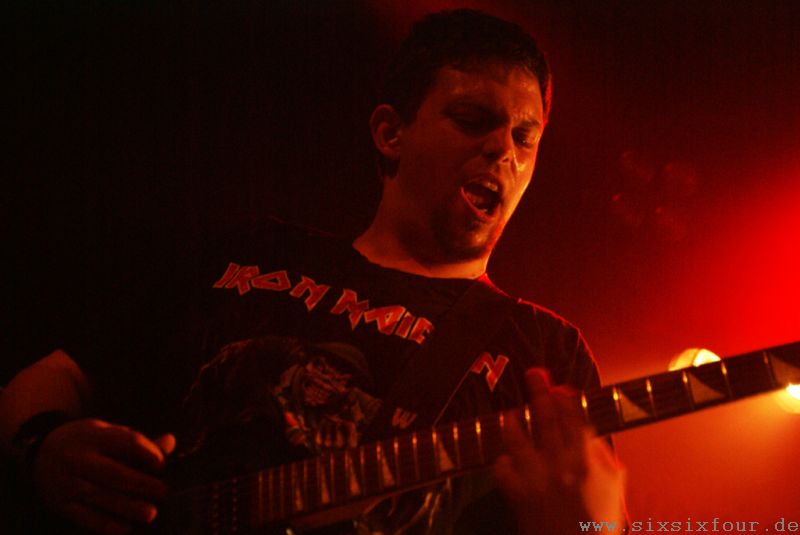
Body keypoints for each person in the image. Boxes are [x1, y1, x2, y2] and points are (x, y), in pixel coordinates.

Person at [1, 9, 625, 535]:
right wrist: (41, 447)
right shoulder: (249, 251)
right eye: (473, 120)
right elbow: (57, 373)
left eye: (525, 137)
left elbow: (596, 518)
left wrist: (589, 526)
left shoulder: (544, 351)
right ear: (390, 133)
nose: (504, 150)